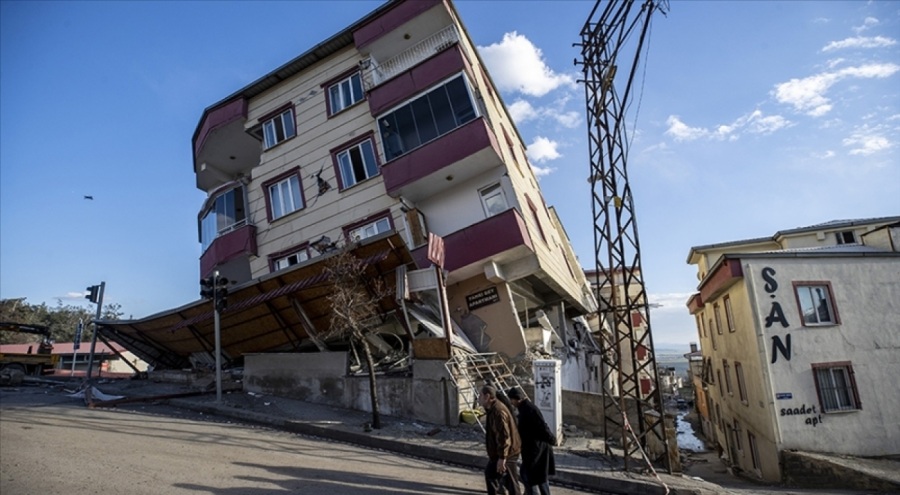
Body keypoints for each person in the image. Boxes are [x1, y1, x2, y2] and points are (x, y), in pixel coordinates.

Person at [507, 387, 555, 495]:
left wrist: (552, 440)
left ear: (517, 399)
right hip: (531, 448)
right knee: (537, 476)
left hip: (537, 449)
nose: (511, 403)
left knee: (530, 475)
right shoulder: (523, 409)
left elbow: (542, 426)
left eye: (512, 400)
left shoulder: (530, 409)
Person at [480, 385, 523, 495]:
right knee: (497, 477)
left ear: (487, 396)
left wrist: (502, 457)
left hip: (507, 453)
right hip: (501, 453)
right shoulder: (491, 409)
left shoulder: (498, 412)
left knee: (509, 482)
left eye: (480, 395)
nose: (478, 398)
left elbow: (504, 436)